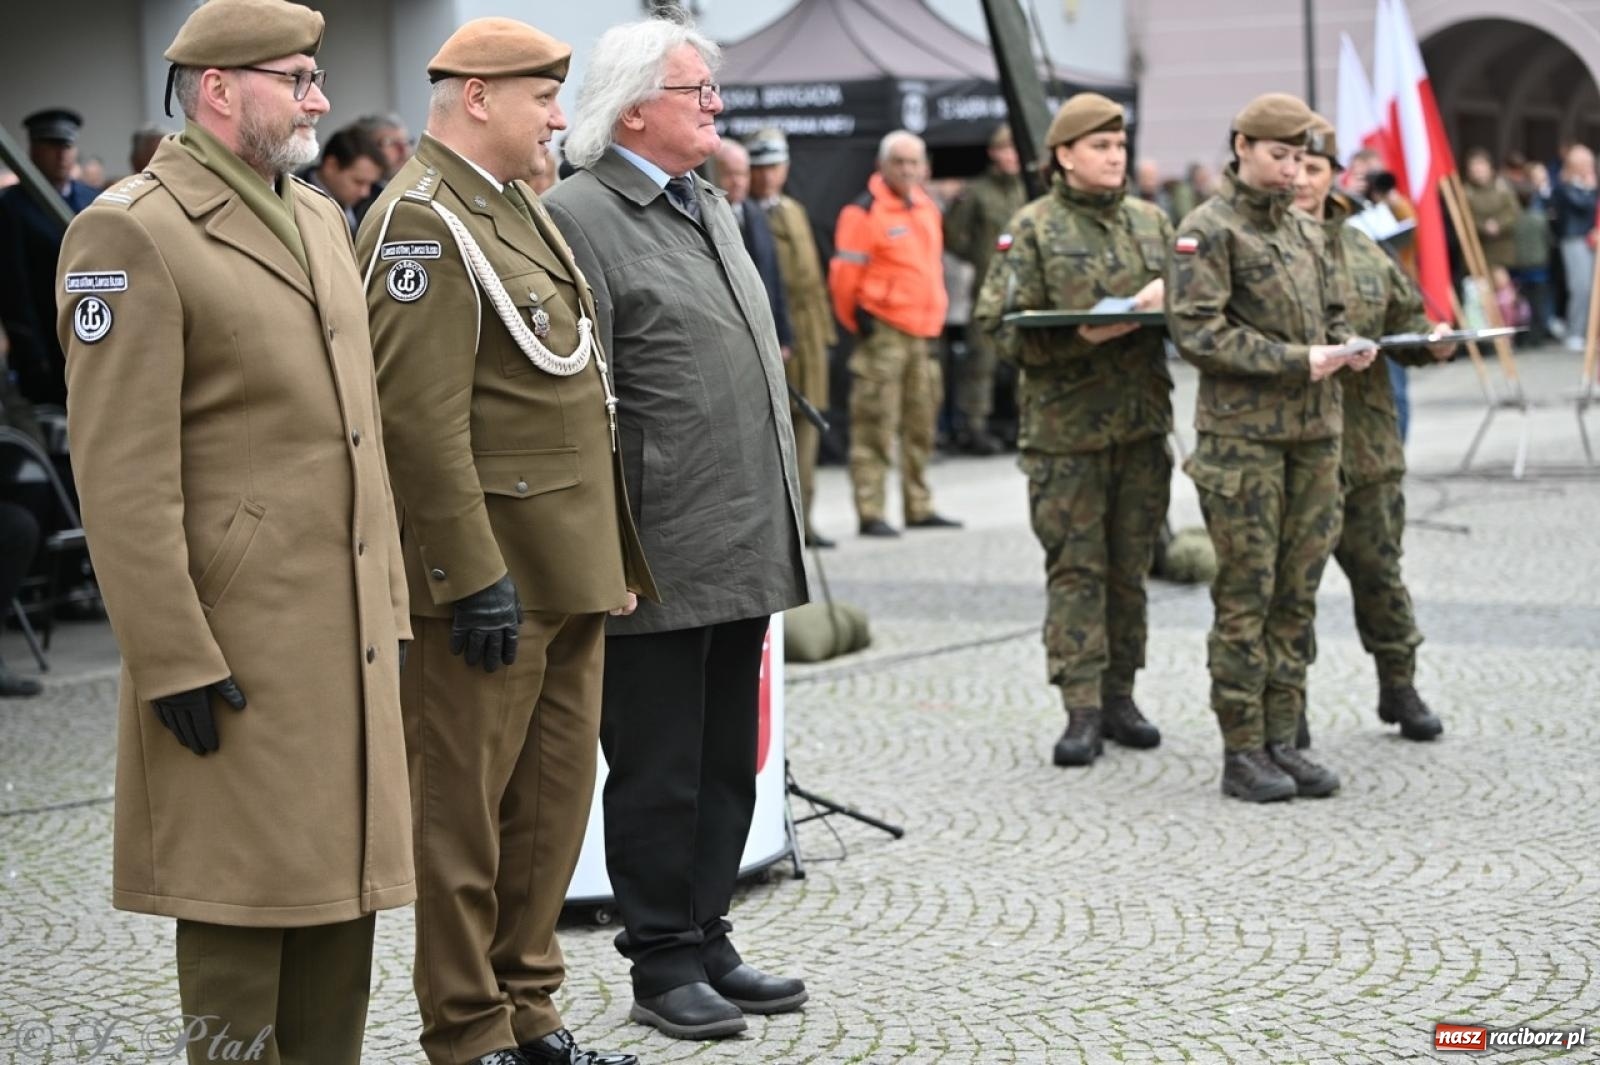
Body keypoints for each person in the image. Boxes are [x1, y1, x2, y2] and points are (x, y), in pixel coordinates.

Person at [54, 2, 414, 1062]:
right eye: (297, 78)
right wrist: (170, 658)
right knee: (241, 920)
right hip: (235, 645)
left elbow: (359, 437)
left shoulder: (315, 217)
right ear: (219, 88)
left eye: (316, 75)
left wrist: (387, 609)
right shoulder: (131, 229)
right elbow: (119, 474)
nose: (320, 98)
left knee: (343, 905)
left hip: (338, 638)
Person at [355, 19, 655, 1065]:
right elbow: (416, 420)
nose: (561, 120)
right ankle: (467, 1029)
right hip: (486, 585)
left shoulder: (513, 208)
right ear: (477, 96)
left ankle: (531, 1014)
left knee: (546, 820)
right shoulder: (421, 225)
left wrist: (609, 558)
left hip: (563, 570)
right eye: (544, 99)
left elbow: (579, 397)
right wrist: (469, 574)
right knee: (464, 827)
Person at [546, 12, 810, 1041]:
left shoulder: (705, 202)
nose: (716, 105)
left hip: (741, 536)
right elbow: (583, 404)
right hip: (656, 551)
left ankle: (707, 932)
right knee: (657, 767)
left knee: (721, 759)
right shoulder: (580, 215)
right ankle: (660, 961)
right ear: (635, 105)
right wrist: (603, 547)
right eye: (698, 90)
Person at [1165, 92, 1377, 803]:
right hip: (1244, 445)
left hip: (1316, 437)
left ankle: (1285, 735)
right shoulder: (1206, 230)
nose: (1292, 171)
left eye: (1300, 158)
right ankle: (1243, 747)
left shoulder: (1309, 233)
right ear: (1242, 146)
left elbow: (1335, 309)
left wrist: (1347, 346)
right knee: (1247, 594)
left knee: (1298, 593)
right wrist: (1297, 360)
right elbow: (1198, 333)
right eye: (1279, 155)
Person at [973, 93, 1174, 769]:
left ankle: (1122, 694)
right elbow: (996, 324)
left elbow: (1202, 307)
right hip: (1065, 435)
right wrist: (1079, 336)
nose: (1114, 157)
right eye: (1100, 147)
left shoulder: (1152, 222)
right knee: (1076, 570)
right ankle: (1081, 705)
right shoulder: (1032, 227)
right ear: (1063, 155)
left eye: (1119, 147)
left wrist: (1172, 303)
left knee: (1130, 571)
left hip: (1141, 428)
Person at [1293, 114, 1449, 747]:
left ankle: (1399, 683)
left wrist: (1434, 344)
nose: (1302, 177)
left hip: (1366, 446)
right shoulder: (1250, 248)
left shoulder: (1363, 248)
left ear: (1336, 176)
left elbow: (1407, 322)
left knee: (1381, 573)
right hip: (1293, 448)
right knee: (1289, 587)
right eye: (1293, 163)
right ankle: (1287, 705)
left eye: (1315, 166)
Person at [831, 130, 962, 536]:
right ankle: (872, 511)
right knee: (875, 424)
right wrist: (860, 321)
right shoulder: (863, 212)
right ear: (882, 166)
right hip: (884, 333)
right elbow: (843, 278)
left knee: (921, 423)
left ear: (924, 168)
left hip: (924, 334)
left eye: (913, 163)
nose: (907, 170)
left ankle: (918, 505)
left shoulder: (927, 207)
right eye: (899, 163)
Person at [748, 128, 837, 547]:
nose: (768, 177)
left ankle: (807, 520)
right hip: (777, 337)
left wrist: (826, 335)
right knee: (776, 433)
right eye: (760, 168)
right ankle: (783, 525)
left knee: (809, 433)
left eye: (775, 167)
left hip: (809, 336)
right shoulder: (746, 216)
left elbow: (813, 280)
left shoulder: (794, 211)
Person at [0, 108, 99, 405]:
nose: (61, 155)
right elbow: (14, 289)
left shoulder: (92, 198)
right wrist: (33, 356)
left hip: (93, 333)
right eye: (52, 146)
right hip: (46, 342)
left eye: (67, 146)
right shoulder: (12, 208)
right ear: (32, 151)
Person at [943, 123, 1025, 455]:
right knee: (982, 360)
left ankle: (1022, 423)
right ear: (993, 153)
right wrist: (979, 256)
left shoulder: (1025, 190)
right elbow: (952, 235)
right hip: (988, 287)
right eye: (1005, 150)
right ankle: (975, 428)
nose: (1011, 157)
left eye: (1015, 150)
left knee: (1023, 358)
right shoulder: (976, 192)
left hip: (1025, 287)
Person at [714, 139, 793, 358]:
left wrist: (784, 337)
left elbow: (774, 277)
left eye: (743, 174)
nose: (737, 181)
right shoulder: (703, 217)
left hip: (765, 332)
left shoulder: (756, 213)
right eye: (728, 174)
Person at [1554, 145, 1598, 352]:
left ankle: (1590, 331)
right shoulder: (1565, 183)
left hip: (1591, 237)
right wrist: (1589, 189)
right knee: (1580, 287)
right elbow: (1581, 206)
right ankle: (1574, 332)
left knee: (1593, 289)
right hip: (1574, 238)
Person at [303, 125, 386, 230]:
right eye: (358, 182)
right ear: (331, 166)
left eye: (370, 184)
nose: (365, 193)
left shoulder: (372, 202)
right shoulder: (294, 201)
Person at [1462, 148, 1521, 273]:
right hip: (1477, 248)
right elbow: (1464, 216)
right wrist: (1483, 226)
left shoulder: (1502, 187)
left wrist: (1498, 224)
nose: (1478, 171)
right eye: (1474, 168)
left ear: (1489, 167)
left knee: (1501, 281)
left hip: (1502, 247)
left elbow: (1513, 211)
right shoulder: (1465, 192)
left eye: (1481, 167)